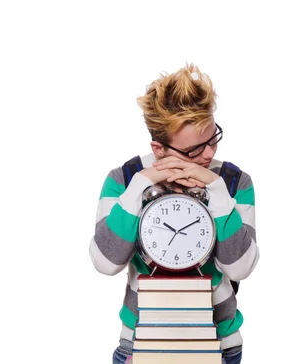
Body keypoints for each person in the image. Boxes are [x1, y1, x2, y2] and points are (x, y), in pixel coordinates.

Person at [89, 63, 258, 364]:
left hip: (220, 344)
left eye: (213, 139)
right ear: (159, 149)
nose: (208, 154)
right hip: (140, 342)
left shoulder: (233, 183)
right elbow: (105, 262)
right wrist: (140, 185)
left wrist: (217, 191)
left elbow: (241, 268)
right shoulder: (125, 180)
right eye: (194, 150)